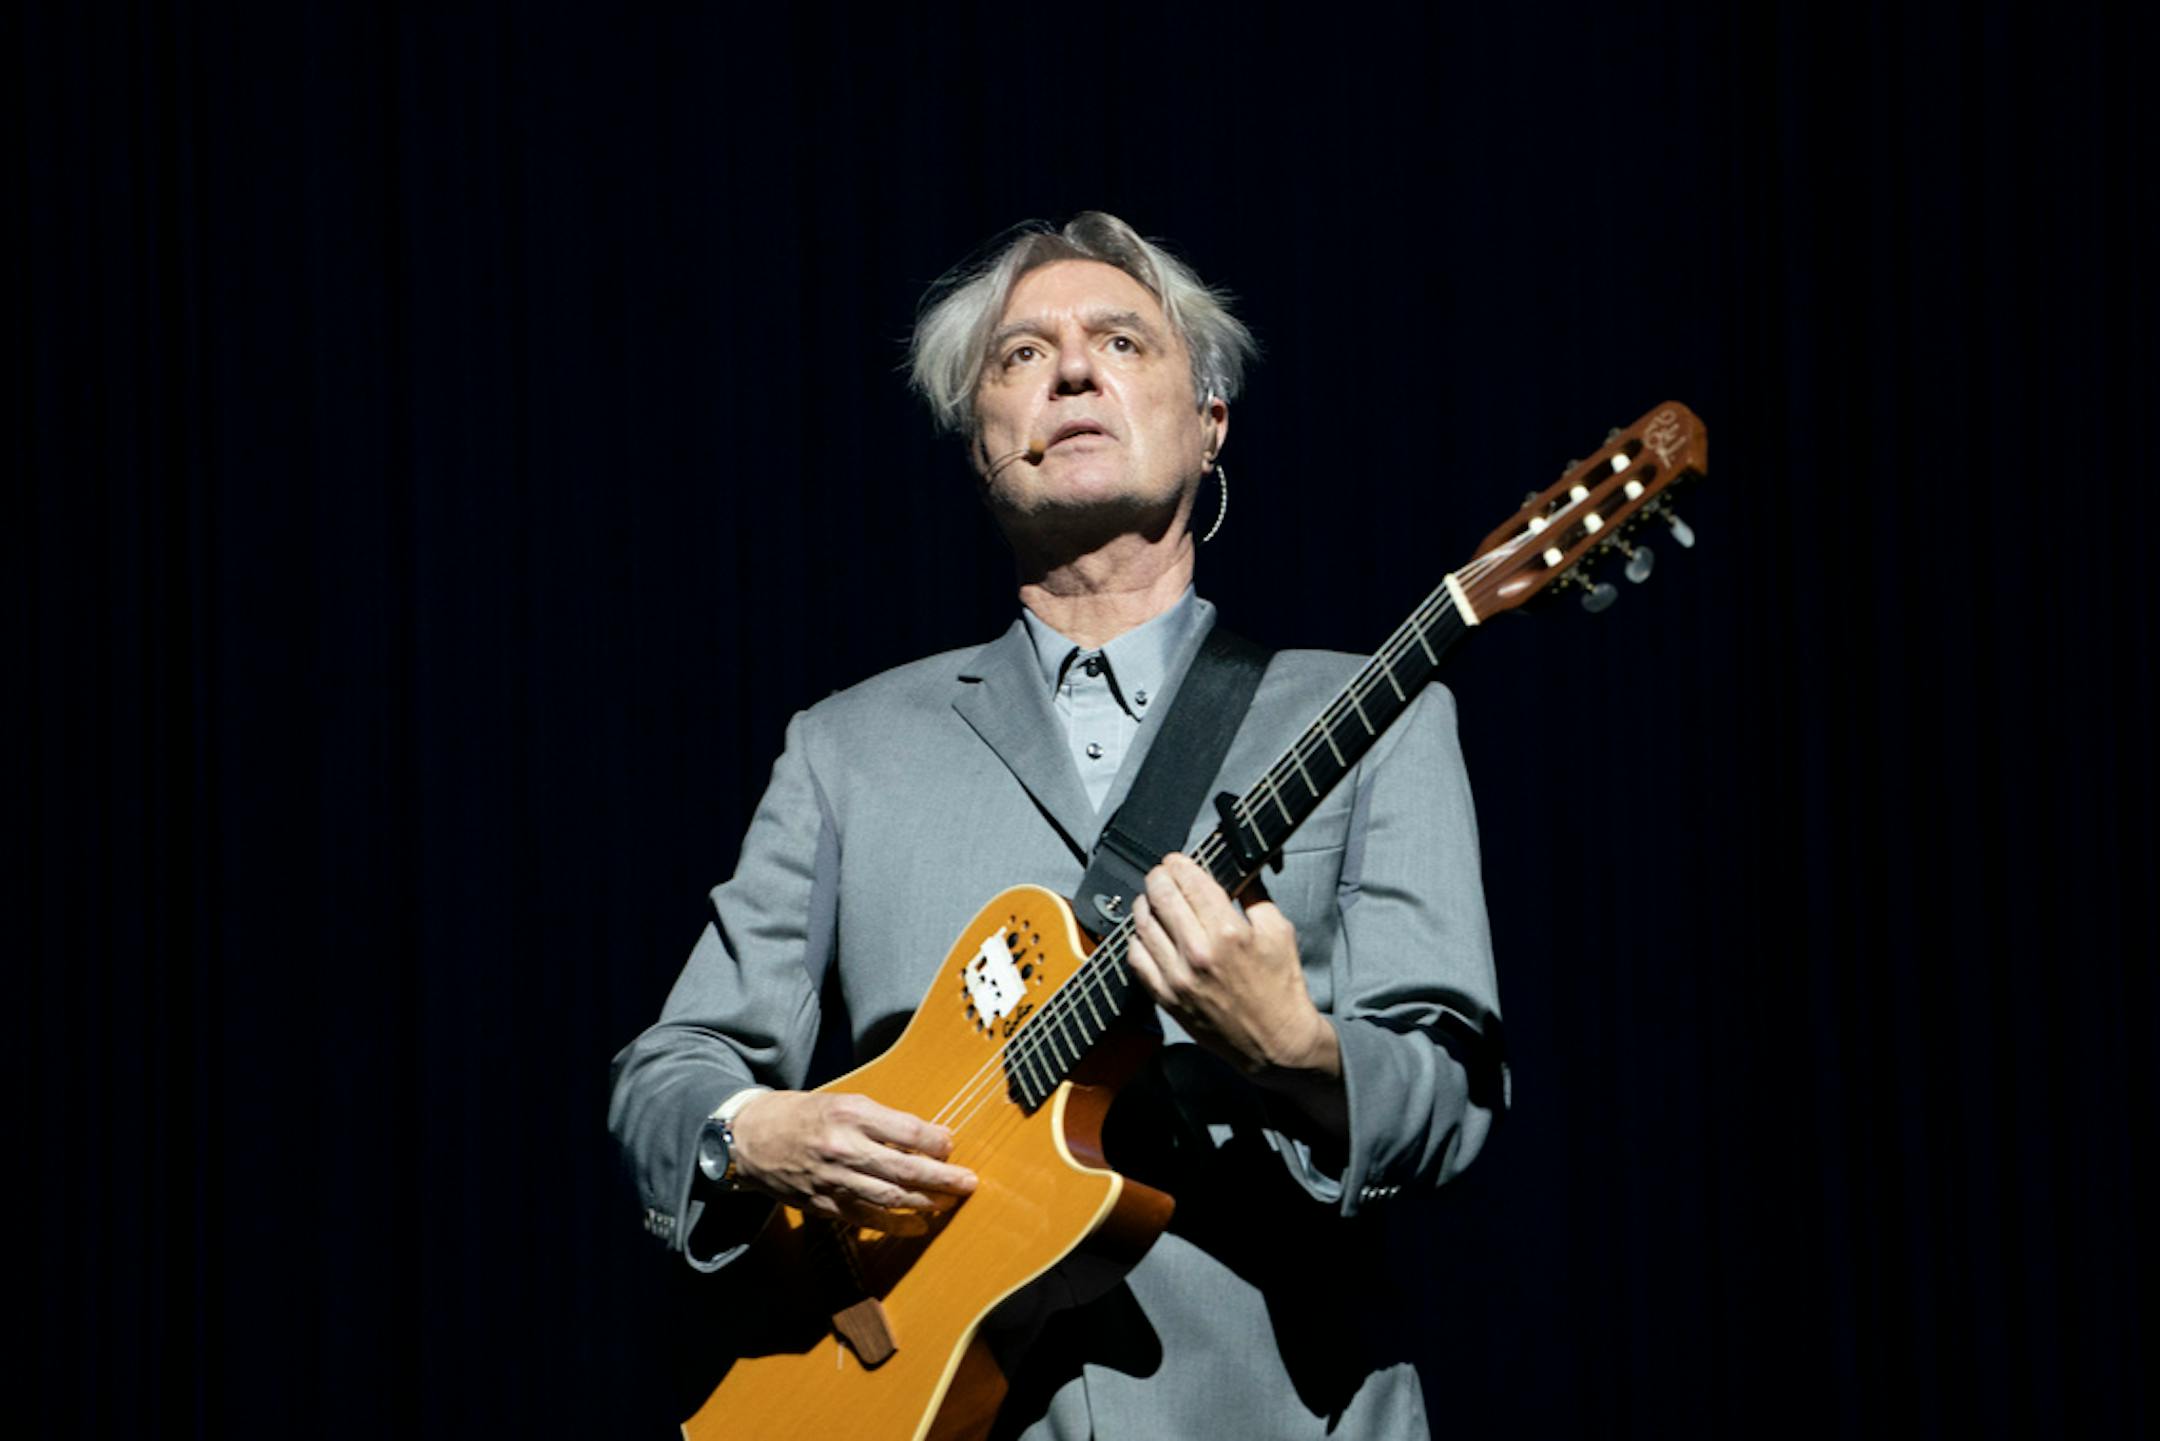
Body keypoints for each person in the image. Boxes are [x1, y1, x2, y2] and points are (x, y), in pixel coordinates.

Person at [609, 212, 1505, 1439]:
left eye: (1122, 342)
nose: (1073, 369)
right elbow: (670, 1073)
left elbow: (1449, 1100)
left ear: (1211, 419)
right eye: (1022, 355)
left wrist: (1294, 1049)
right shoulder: (846, 747)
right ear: (981, 444)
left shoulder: (1373, 716)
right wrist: (754, 1130)